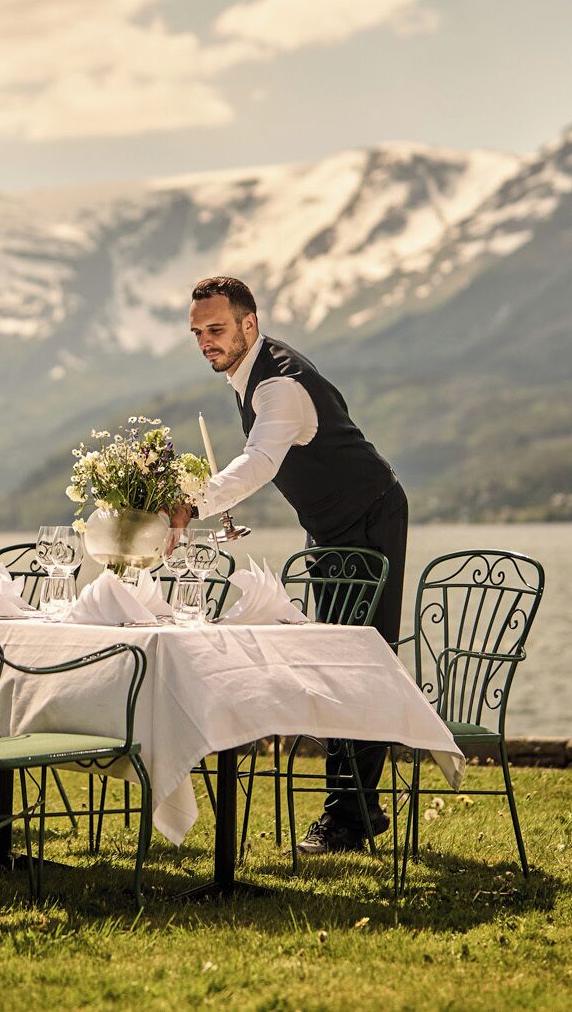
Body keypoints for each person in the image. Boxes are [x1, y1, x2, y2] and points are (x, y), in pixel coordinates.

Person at [169, 273, 407, 852]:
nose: (207, 341)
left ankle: (352, 818)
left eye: (218, 328)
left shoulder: (278, 384)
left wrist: (188, 504)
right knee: (332, 657)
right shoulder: (249, 376)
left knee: (359, 659)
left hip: (368, 517)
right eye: (198, 332)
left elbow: (259, 462)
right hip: (328, 526)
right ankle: (353, 812)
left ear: (250, 323)